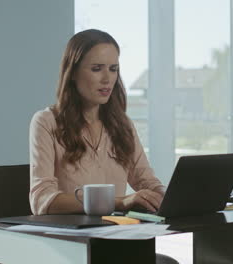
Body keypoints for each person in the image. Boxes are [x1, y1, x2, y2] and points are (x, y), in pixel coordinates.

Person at [29, 29, 165, 215]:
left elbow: (146, 181)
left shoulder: (122, 124)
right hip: (71, 239)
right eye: (96, 69)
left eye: (113, 69)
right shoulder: (46, 122)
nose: (107, 79)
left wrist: (173, 200)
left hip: (116, 233)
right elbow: (42, 200)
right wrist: (119, 202)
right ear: (73, 72)